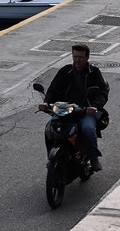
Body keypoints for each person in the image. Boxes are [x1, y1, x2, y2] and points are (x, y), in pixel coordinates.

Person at [40, 43, 109, 171]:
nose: (77, 59)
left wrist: (95, 106)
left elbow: (103, 92)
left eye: (81, 57)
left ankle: (94, 159)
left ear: (87, 57)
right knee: (49, 129)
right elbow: (53, 89)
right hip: (65, 110)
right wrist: (47, 102)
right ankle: (51, 158)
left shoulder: (94, 72)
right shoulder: (65, 71)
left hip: (85, 111)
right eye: (75, 56)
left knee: (88, 129)